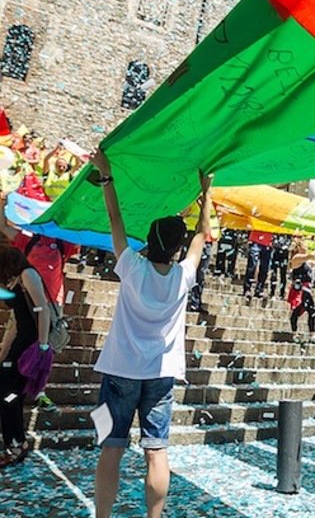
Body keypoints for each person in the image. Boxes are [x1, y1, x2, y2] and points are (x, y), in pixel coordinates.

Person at [89, 149, 212, 518]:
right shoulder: (182, 277)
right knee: (156, 450)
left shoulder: (131, 266)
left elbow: (115, 219)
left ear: (151, 240)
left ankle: (102, 517)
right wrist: (206, 193)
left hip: (118, 372)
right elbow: (203, 236)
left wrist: (107, 175)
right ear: (176, 248)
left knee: (110, 447)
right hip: (160, 376)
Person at [0, 192, 79, 411]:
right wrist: (3, 203)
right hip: (27, 301)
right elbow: (4, 228)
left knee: (46, 348)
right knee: (12, 340)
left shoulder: (63, 243)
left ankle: (37, 391)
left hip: (53, 303)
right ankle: (6, 383)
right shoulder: (29, 239)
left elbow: (80, 234)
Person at [0, 246, 50, 467]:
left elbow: (42, 309)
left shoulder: (28, 275)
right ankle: (14, 442)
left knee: (8, 394)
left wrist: (42, 345)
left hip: (29, 345)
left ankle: (17, 443)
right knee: (8, 394)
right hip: (20, 341)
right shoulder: (16, 280)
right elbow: (17, 319)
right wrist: (3, 352)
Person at [287, 237, 315, 340]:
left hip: (306, 289)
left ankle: (311, 333)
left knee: (311, 311)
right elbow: (311, 255)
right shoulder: (296, 258)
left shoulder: (304, 261)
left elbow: (314, 262)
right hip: (300, 289)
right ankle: (295, 333)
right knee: (299, 311)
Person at [242, 229, 272, 301]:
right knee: (252, 265)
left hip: (268, 242)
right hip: (255, 240)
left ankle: (259, 289)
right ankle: (247, 288)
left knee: (265, 268)